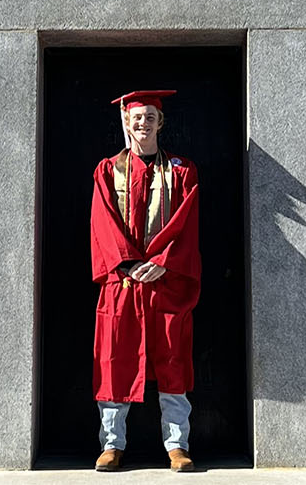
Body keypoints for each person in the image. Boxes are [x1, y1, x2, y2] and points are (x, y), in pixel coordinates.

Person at [89, 89, 201, 473]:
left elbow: (186, 225)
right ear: (126, 121)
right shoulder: (107, 171)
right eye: (137, 117)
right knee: (115, 361)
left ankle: (176, 446)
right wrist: (128, 263)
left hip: (165, 284)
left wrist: (164, 263)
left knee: (172, 362)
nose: (143, 122)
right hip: (123, 285)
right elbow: (102, 222)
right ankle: (112, 445)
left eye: (151, 116)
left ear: (160, 122)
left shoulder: (183, 172)